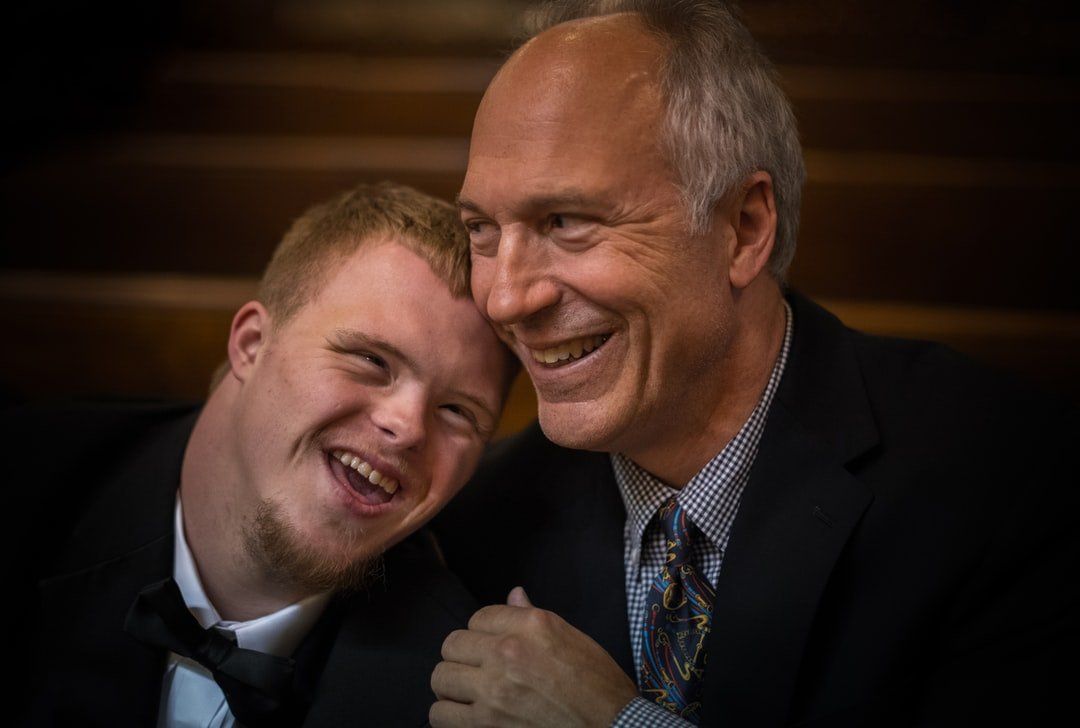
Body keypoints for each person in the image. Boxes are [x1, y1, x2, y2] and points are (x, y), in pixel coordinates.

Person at [429, 2, 1078, 726]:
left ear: (744, 229)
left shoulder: (1011, 477)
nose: (508, 297)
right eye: (482, 229)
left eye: (566, 223)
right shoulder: (473, 521)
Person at [8, 181, 516, 727]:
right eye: (371, 359)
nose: (409, 427)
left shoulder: (457, 688)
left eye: (458, 412)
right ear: (252, 343)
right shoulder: (24, 484)